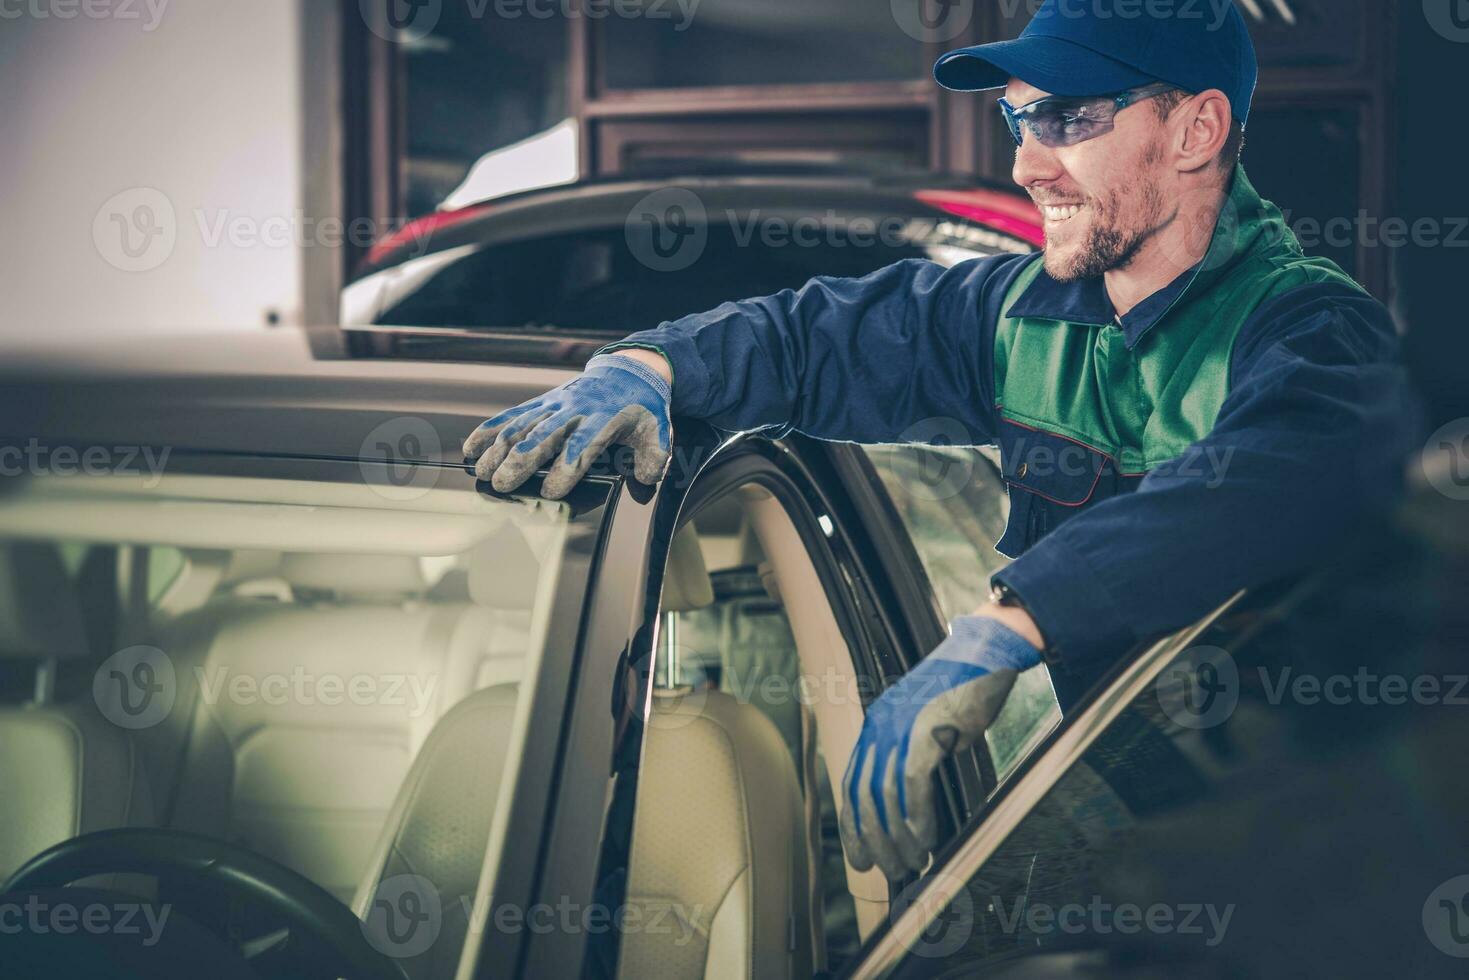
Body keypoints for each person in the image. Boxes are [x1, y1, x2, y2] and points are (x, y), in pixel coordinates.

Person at [462, 0, 1414, 882]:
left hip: (1300, 860)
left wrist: (1010, 627)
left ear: (1195, 130)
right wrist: (650, 369)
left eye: (1068, 120)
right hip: (1113, 834)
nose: (1027, 164)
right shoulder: (1015, 317)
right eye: (1018, 121)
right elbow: (810, 339)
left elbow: (1261, 484)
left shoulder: (1315, 332)